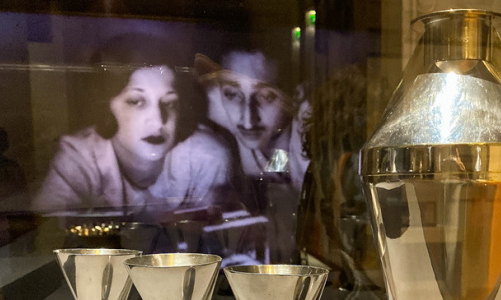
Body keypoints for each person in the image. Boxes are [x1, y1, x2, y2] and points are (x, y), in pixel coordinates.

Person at [33, 34, 240, 220]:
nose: (158, 121)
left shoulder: (208, 155)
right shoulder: (77, 157)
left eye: (169, 103)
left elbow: (212, 240)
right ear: (106, 105)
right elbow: (49, 237)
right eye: (136, 101)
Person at [195, 50, 309, 262]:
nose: (248, 120)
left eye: (266, 96)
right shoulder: (215, 118)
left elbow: (278, 172)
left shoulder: (298, 141)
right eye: (232, 94)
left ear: (293, 96)